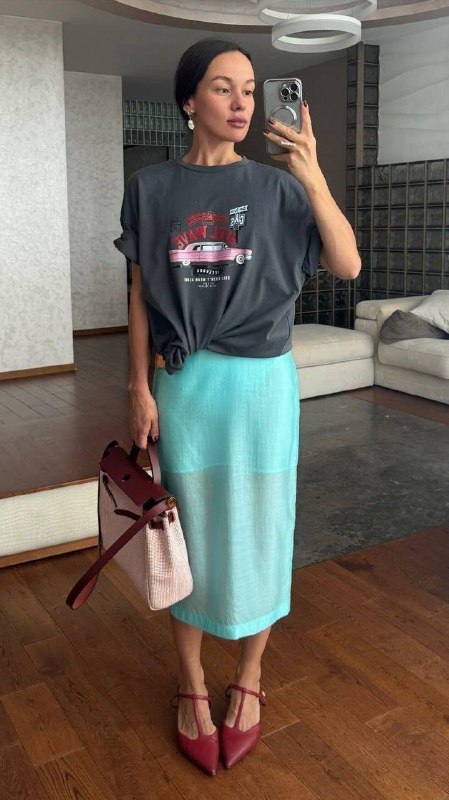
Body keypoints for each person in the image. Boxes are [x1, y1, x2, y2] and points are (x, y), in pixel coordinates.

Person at [114, 37, 361, 776]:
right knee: (184, 533)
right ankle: (192, 683)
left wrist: (312, 174)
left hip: (261, 388)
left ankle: (249, 677)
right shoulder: (150, 188)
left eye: (250, 89)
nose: (242, 102)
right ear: (188, 101)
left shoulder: (281, 188)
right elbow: (138, 296)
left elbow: (347, 265)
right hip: (185, 385)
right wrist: (137, 388)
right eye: (223, 87)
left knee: (262, 527)